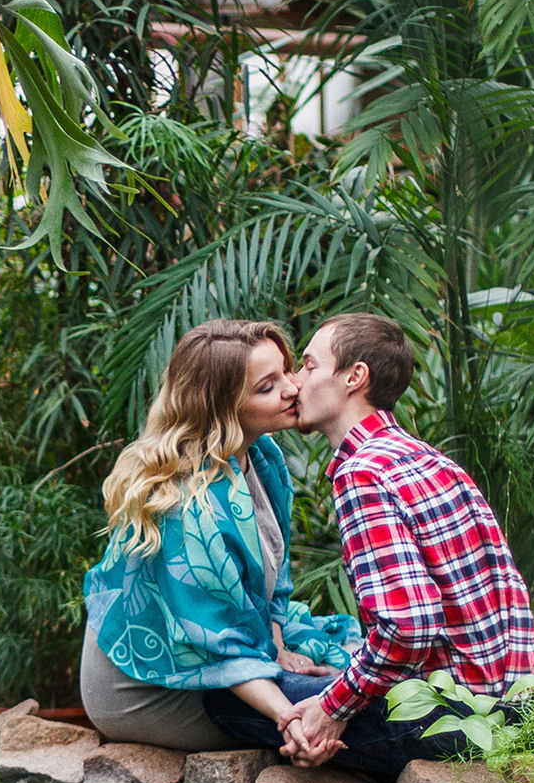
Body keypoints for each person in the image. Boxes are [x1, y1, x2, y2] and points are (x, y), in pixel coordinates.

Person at [273, 313, 534, 782]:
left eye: (310, 366)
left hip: (449, 722)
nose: (296, 382)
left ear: (354, 377)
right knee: (322, 671)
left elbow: (409, 627)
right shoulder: (427, 458)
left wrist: (334, 707)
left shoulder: (363, 474)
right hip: (514, 707)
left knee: (231, 700)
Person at [81, 319, 362, 752]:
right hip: (149, 690)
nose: (292, 388)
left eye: (287, 372)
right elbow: (218, 641)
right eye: (267, 387)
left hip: (227, 647)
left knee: (350, 658)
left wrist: (277, 645)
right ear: (222, 407)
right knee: (347, 710)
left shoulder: (262, 458)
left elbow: (270, 588)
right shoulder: (189, 508)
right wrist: (287, 718)